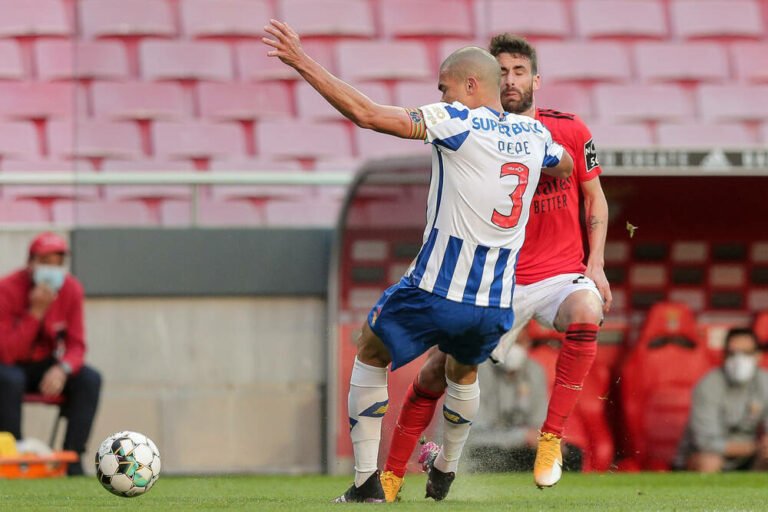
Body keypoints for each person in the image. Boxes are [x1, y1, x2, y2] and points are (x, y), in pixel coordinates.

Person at [263, 20, 573, 502]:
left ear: (470, 86)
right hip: (494, 302)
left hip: (436, 289)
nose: (441, 96)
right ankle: (447, 467)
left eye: (444, 87)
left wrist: (301, 61)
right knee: (462, 371)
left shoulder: (457, 120)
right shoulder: (534, 135)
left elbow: (367, 114)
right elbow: (566, 164)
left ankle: (365, 483)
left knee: (370, 350)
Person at [380, 34, 611, 501]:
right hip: (494, 281)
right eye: (501, 71)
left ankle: (551, 440)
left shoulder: (568, 129)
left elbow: (595, 199)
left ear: (536, 80)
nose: (510, 80)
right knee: (435, 372)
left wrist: (597, 264)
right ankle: (391, 477)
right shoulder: (473, 131)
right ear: (487, 78)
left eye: (519, 71)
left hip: (558, 274)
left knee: (587, 310)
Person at [0, 232, 101, 476]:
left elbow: (77, 345)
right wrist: (36, 312)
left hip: (46, 364)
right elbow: (7, 352)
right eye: (46, 262)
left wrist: (63, 369)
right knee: (9, 379)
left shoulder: (71, 289)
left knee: (89, 379)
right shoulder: (7, 289)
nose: (52, 269)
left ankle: (73, 459)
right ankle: (14, 458)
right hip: (9, 365)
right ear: (31, 263)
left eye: (58, 263)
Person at [678, 328, 768, 472]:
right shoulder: (707, 384)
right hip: (709, 455)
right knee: (710, 461)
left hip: (751, 457)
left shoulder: (764, 382)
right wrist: (754, 447)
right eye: (732, 354)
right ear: (723, 356)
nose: (739, 360)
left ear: (758, 356)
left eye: (746, 353)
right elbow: (705, 442)